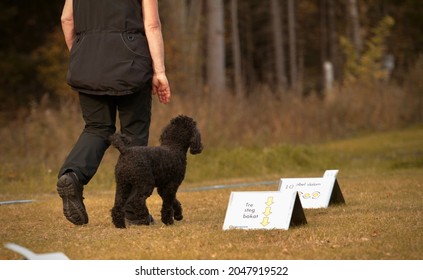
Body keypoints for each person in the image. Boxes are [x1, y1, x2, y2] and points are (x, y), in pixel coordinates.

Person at [58, 0, 171, 225]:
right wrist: (159, 71)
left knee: (97, 127)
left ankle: (72, 175)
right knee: (134, 133)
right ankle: (133, 209)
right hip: (130, 62)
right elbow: (152, 25)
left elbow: (66, 19)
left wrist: (82, 53)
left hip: (87, 63)